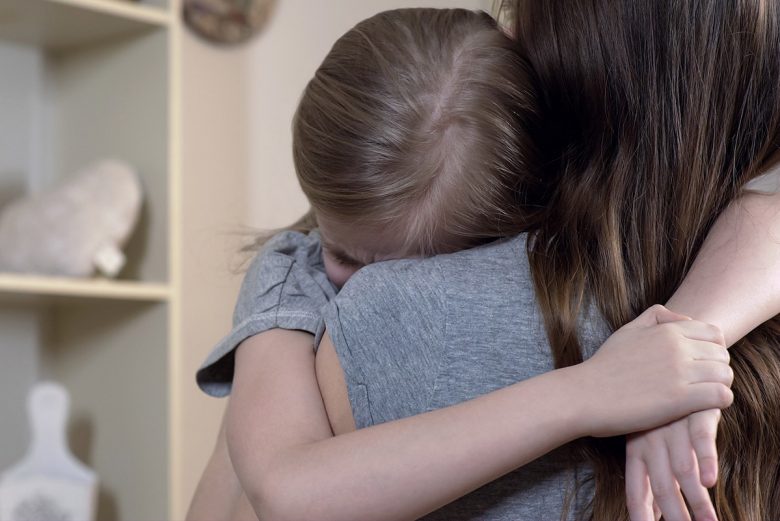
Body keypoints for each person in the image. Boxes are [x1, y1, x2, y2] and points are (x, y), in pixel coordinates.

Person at [189, 4, 780, 521]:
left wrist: (682, 352)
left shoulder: (698, 256)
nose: (352, 281)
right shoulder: (291, 275)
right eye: (342, 250)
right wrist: (585, 393)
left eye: (411, 267)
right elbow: (287, 494)